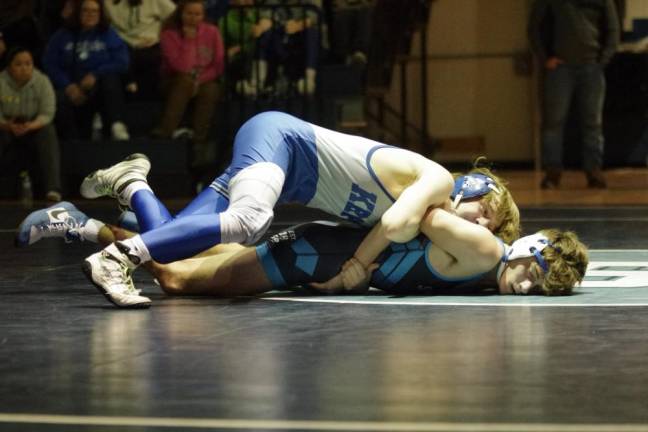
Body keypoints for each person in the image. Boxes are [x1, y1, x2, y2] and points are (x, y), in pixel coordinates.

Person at [78, 111, 520, 307]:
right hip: (281, 140)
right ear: (473, 188)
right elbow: (395, 224)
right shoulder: (437, 181)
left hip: (280, 169)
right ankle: (115, 258)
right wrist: (355, 268)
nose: (483, 225)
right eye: (487, 212)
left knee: (176, 250)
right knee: (249, 221)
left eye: (491, 226)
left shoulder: (432, 211)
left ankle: (132, 182)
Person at [15, 201, 588, 308]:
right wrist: (359, 269)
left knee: (205, 250)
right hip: (317, 257)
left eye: (541, 290)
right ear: (529, 248)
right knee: (177, 281)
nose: (528, 289)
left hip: (325, 250)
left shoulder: (491, 272)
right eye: (535, 276)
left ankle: (133, 201)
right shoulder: (487, 250)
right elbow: (429, 216)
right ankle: (89, 222)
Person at [528, 0, 620, 189]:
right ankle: (552, 173)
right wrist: (545, 58)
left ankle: (594, 172)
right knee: (553, 122)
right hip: (560, 68)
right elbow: (534, 27)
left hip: (592, 66)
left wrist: (603, 60)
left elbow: (613, 29)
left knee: (593, 123)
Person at [43, 0, 131, 141]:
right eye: (86, 10)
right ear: (78, 12)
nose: (90, 15)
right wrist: (67, 86)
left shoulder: (108, 33)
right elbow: (50, 63)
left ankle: (116, 124)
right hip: (69, 87)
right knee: (57, 99)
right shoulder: (62, 35)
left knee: (110, 79)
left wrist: (96, 74)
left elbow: (122, 61)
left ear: (100, 14)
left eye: (95, 11)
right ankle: (70, 142)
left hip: (97, 87)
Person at [152, 0, 225, 168]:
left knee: (212, 90)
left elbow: (218, 65)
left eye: (197, 14)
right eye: (189, 14)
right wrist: (189, 41)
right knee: (184, 81)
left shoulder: (212, 32)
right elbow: (179, 66)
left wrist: (198, 81)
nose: (193, 18)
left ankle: (199, 141)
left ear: (203, 15)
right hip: (173, 81)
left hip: (205, 79)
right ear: (181, 14)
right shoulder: (169, 34)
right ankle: (166, 132)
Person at [0, 47, 62, 202]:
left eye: (28, 63)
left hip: (34, 126)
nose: (24, 68)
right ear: (9, 66)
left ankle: (53, 189)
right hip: (6, 126)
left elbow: (48, 113)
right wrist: (6, 125)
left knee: (48, 132)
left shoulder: (42, 81)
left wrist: (30, 125)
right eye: (18, 64)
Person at [238, 0, 324, 95]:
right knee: (264, 34)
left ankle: (309, 81)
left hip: (300, 41)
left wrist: (298, 26)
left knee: (311, 33)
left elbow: (313, 16)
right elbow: (266, 17)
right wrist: (261, 27)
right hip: (279, 40)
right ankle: (256, 84)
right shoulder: (273, 2)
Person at [103, 0, 176, 100]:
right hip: (122, 42)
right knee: (118, 56)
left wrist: (162, 34)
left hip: (149, 42)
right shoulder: (108, 3)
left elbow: (176, 15)